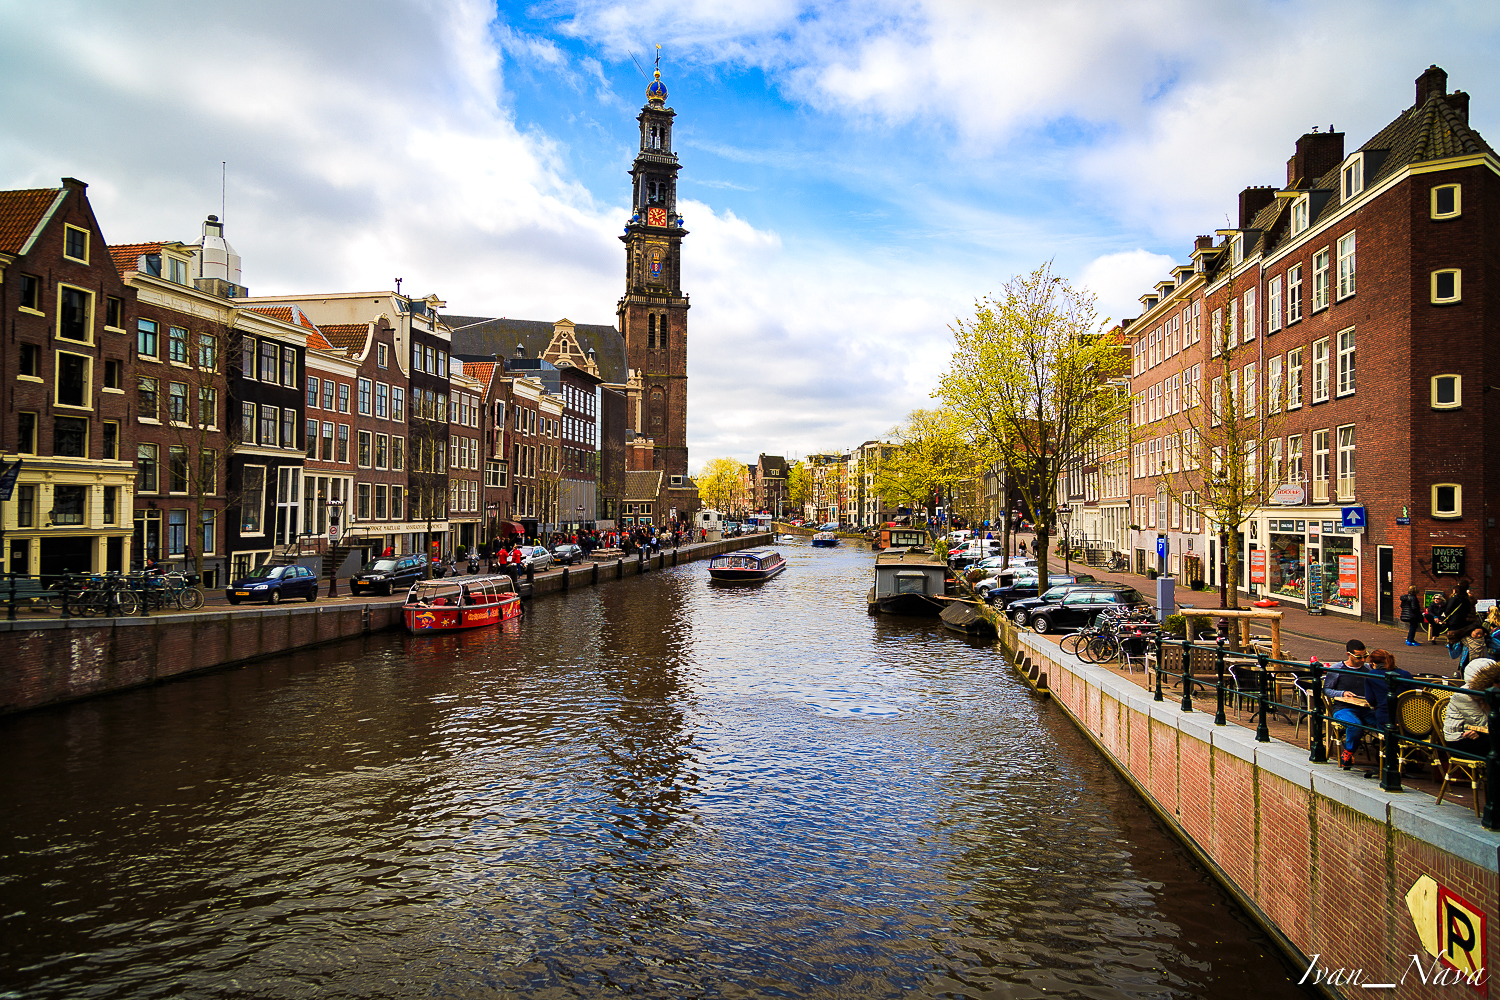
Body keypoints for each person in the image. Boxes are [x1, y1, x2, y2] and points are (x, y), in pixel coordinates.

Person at [1324, 639, 1374, 769]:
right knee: (1355, 725)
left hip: (1366, 708)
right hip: (1343, 708)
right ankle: (1348, 751)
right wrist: (1342, 693)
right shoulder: (1337, 669)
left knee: (1386, 723)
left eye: (1365, 656)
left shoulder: (1368, 669)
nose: (1363, 660)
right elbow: (1327, 690)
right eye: (1359, 657)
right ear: (1348, 655)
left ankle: (1390, 756)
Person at [1442, 658, 1497, 758]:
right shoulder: (1463, 695)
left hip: (1479, 734)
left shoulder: (1489, 692)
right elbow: (1482, 722)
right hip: (1458, 739)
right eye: (1495, 680)